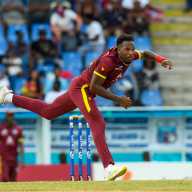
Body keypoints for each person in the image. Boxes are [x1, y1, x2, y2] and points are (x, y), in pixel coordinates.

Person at [0, 34, 173, 181]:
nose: (131, 53)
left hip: (83, 89)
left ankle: (8, 96)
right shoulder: (108, 61)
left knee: (48, 112)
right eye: (127, 49)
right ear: (118, 48)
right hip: (83, 88)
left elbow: (146, 53)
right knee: (98, 123)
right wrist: (118, 99)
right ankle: (109, 168)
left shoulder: (129, 55)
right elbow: (94, 87)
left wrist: (161, 59)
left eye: (132, 49)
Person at [0, 112, 24, 181]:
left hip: (14, 158)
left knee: (13, 179)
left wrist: (22, 159)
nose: (10, 118)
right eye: (8, 116)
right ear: (6, 117)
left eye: (11, 116)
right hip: (4, 158)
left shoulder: (18, 129)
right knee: (5, 178)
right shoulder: (1, 128)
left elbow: (21, 144)